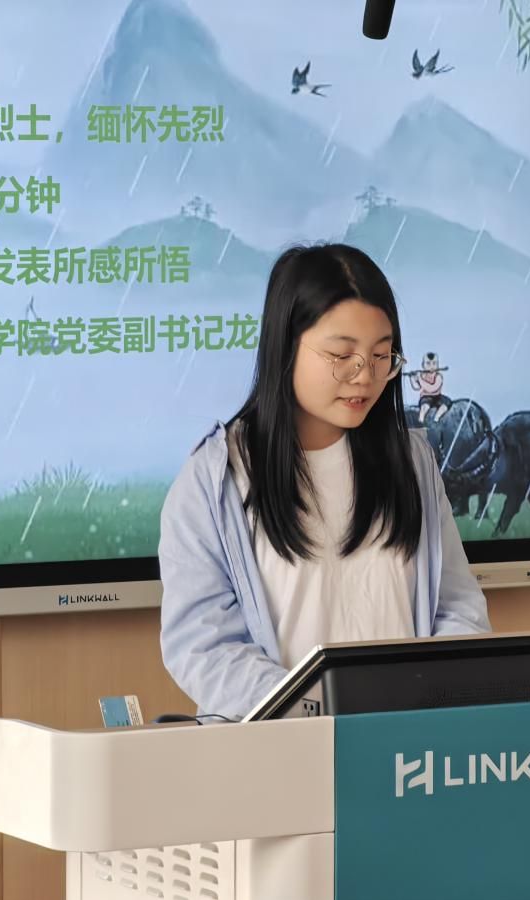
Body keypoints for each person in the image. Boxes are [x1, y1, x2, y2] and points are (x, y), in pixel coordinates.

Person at [158, 244, 491, 719]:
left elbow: (458, 611)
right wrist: (319, 713)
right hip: (277, 749)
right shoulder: (215, 480)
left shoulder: (412, 463)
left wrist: (423, 703)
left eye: (381, 356)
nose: (365, 376)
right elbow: (204, 647)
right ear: (286, 346)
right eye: (341, 355)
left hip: (402, 746)